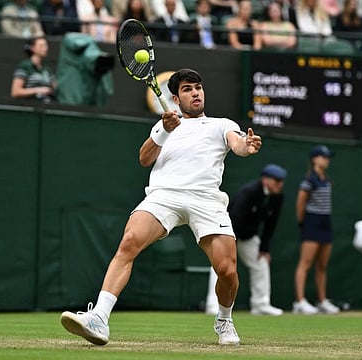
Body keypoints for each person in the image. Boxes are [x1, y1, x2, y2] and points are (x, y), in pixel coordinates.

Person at [60, 68, 263, 346]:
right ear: (175, 98)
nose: (196, 93)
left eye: (198, 87)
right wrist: (164, 131)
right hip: (164, 195)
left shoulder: (221, 124)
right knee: (129, 242)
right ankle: (99, 318)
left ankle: (224, 319)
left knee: (227, 270)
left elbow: (238, 145)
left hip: (205, 198)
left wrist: (246, 145)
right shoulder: (164, 124)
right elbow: (144, 158)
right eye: (188, 89)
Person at [228, 164, 287, 316]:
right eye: (276, 181)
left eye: (281, 181)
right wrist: (229, 243)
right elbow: (234, 218)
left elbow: (270, 224)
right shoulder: (249, 192)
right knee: (222, 266)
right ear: (265, 179)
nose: (280, 185)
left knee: (261, 263)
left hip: (249, 236)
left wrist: (265, 248)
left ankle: (260, 305)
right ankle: (213, 306)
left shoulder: (277, 197)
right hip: (230, 232)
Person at [293, 145, 340, 315]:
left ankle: (321, 301)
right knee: (305, 264)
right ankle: (299, 302)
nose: (326, 159)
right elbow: (300, 203)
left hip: (326, 222)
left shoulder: (326, 179)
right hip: (312, 222)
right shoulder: (309, 180)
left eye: (327, 157)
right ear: (315, 159)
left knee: (322, 265)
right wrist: (303, 222)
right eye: (323, 156)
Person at [10, 36, 57, 103]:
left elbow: (55, 87)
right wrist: (38, 90)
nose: (45, 48)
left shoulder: (47, 69)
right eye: (41, 46)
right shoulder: (25, 66)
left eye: (46, 45)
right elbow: (15, 92)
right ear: (33, 48)